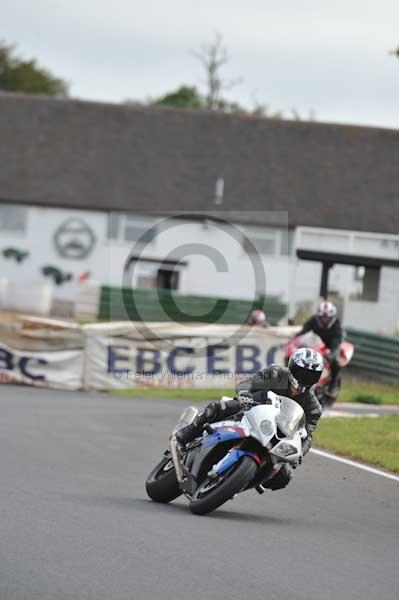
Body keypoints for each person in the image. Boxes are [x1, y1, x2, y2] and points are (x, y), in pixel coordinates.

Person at [176, 348, 324, 490]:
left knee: (285, 475)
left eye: (311, 375)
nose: (305, 378)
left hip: (276, 436)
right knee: (217, 408)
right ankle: (187, 434)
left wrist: (299, 453)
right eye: (302, 372)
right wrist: (245, 393)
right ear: (291, 367)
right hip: (250, 410)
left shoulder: (313, 408)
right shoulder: (275, 373)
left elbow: (306, 435)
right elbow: (248, 383)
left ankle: (241, 482)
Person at [294, 301, 343, 395]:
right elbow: (303, 332)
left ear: (332, 317)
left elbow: (336, 345)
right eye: (322, 317)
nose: (324, 320)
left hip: (331, 344)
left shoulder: (337, 326)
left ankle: (333, 383)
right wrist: (294, 340)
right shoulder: (313, 320)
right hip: (316, 344)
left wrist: (331, 355)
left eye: (327, 317)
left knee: (336, 361)